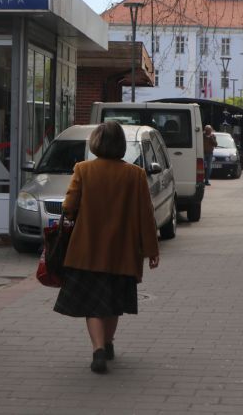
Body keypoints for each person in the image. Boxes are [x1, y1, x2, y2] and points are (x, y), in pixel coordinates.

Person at [53, 121, 160, 374]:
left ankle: (98, 348)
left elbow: (68, 208)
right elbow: (146, 215)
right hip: (122, 253)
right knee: (113, 302)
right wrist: (151, 250)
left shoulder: (83, 169)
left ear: (96, 143)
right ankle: (109, 342)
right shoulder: (136, 175)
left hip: (86, 251)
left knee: (93, 304)